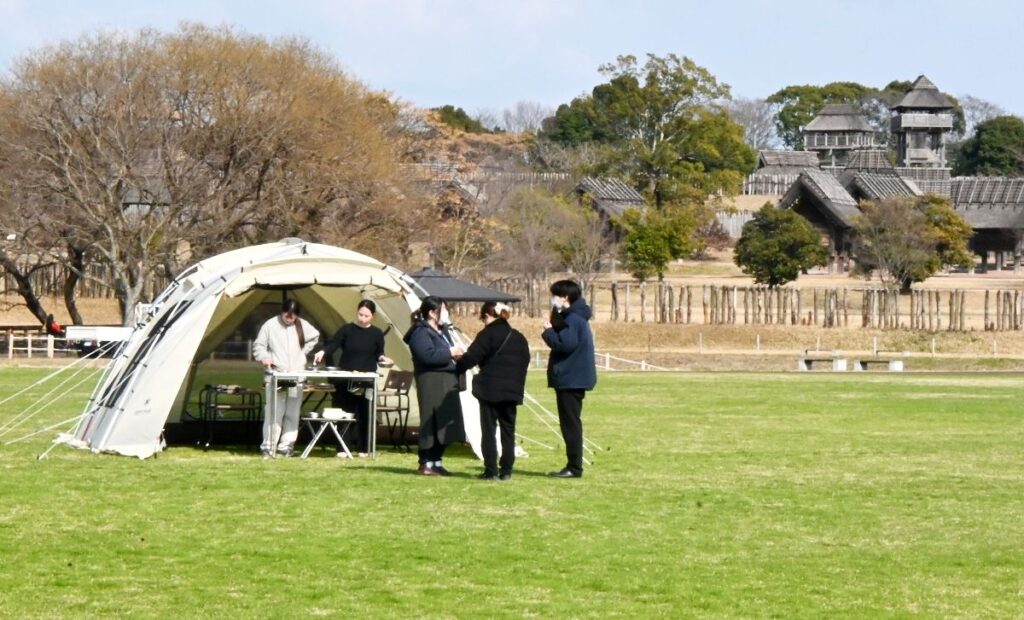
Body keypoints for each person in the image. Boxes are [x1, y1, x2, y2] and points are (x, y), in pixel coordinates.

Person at [456, 302, 530, 481]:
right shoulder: (518, 336)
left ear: (487, 316)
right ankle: (506, 470)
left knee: (488, 430)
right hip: (513, 390)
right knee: (508, 431)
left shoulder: (487, 334)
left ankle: (491, 470)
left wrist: (458, 365)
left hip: (490, 389)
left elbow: (472, 357)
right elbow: (525, 361)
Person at [313, 300, 393, 457]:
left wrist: (384, 359)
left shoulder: (377, 334)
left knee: (365, 413)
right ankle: (343, 448)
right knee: (344, 412)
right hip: (346, 376)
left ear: (373, 316)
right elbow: (334, 344)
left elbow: (379, 354)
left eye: (366, 316)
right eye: (360, 314)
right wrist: (323, 352)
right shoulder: (347, 330)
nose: (363, 318)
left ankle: (364, 448)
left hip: (366, 379)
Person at [403, 296, 464, 476]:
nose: (445, 314)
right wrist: (450, 352)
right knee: (431, 421)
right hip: (431, 381)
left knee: (446, 422)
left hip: (447, 381)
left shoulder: (442, 331)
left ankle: (436, 461)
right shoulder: (420, 332)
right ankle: (426, 462)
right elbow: (426, 356)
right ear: (431, 312)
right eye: (443, 310)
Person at [541, 280, 596, 479]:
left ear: (565, 298)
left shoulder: (573, 319)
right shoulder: (577, 318)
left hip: (570, 378)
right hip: (575, 378)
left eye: (555, 295)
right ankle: (574, 465)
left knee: (570, 424)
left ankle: (574, 466)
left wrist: (548, 331)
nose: (553, 299)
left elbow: (565, 344)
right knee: (571, 422)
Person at [252, 299, 320, 458]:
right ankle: (268, 446)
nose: (289, 318)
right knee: (274, 412)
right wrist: (264, 357)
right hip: (276, 374)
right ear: (281, 312)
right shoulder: (269, 325)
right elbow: (259, 345)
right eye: (287, 315)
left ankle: (286, 445)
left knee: (292, 412)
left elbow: (315, 336)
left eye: (293, 316)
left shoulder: (302, 325)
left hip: (296, 376)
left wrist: (303, 352)